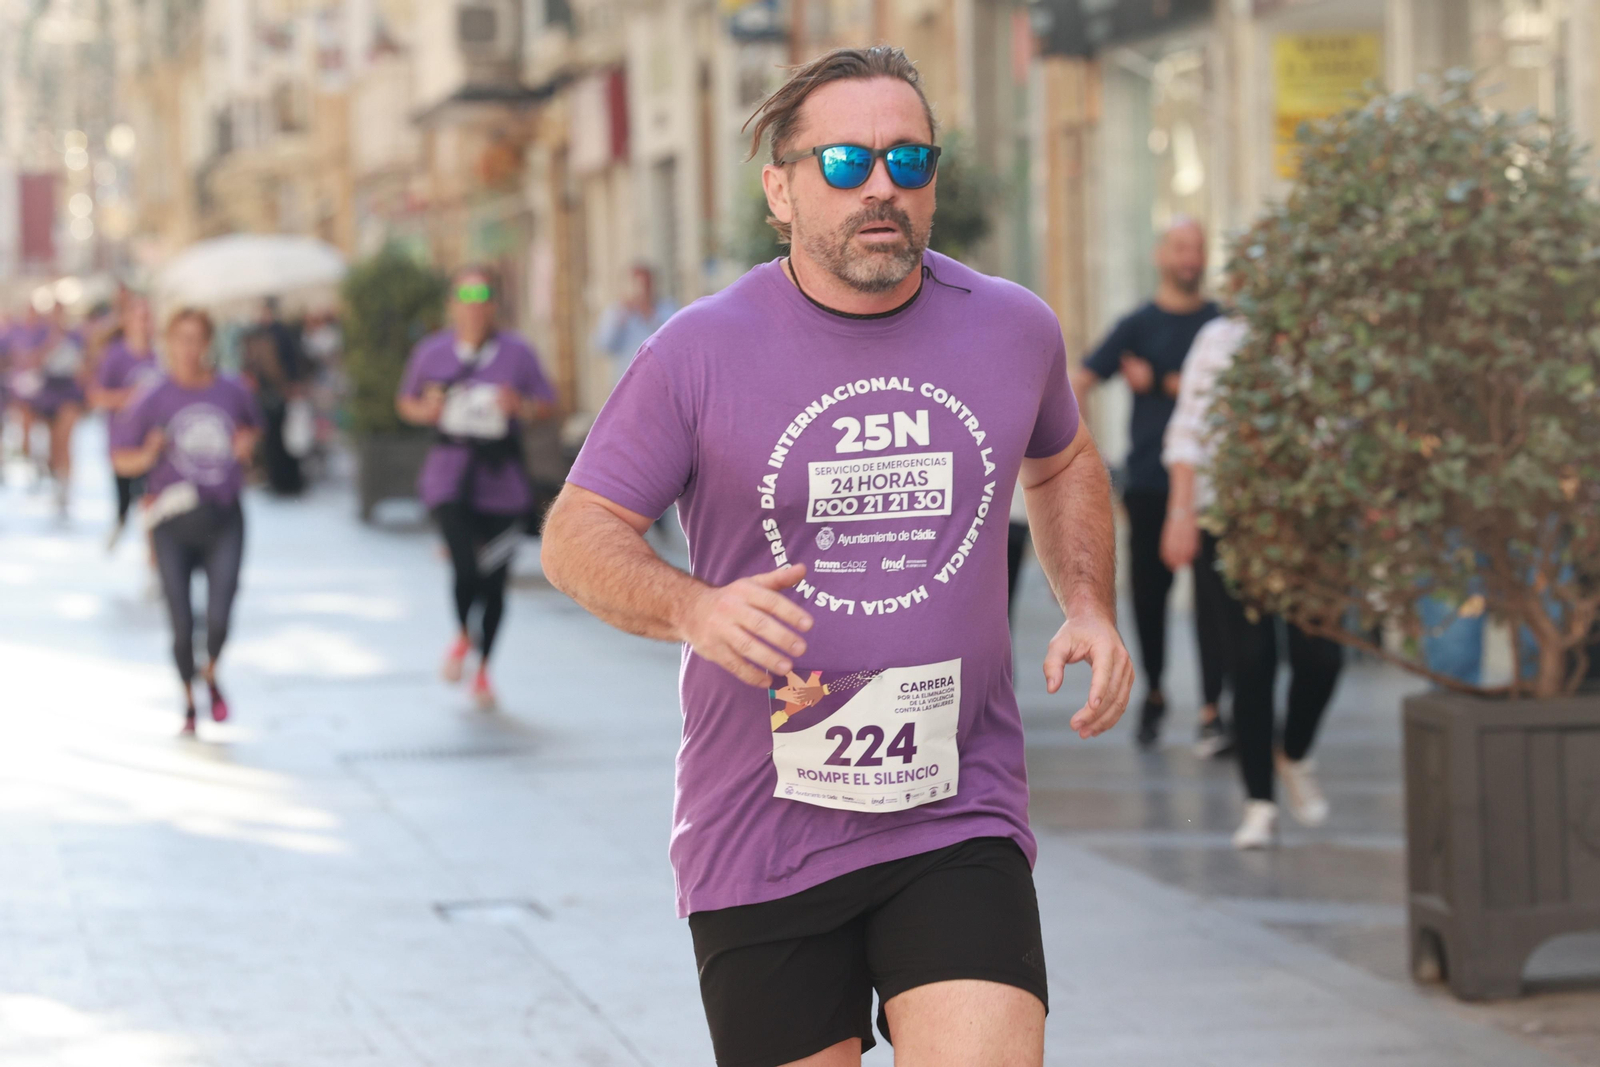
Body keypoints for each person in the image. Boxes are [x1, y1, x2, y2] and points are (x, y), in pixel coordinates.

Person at [540, 47, 1132, 1067]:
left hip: (956, 806)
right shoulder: (697, 351)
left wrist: (1086, 599)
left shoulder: (1009, 327)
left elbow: (1063, 452)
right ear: (780, 187)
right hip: (759, 826)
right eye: (847, 161)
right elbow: (575, 532)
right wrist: (694, 608)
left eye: (909, 160)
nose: (881, 188)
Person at [1160, 314, 1342, 848]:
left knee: (1321, 656)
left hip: (1313, 522)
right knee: (1251, 661)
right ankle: (1259, 802)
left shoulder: (1331, 338)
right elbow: (1189, 430)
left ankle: (1295, 749)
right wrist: (1180, 513)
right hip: (1231, 520)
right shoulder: (1220, 340)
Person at [1071, 218, 1228, 751]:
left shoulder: (1219, 323)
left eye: (1199, 249)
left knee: (1215, 602)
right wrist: (1092, 460)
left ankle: (1212, 708)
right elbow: (1079, 381)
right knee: (1149, 599)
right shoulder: (1138, 324)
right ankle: (1155, 693)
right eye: (1182, 248)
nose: (1191, 258)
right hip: (1147, 482)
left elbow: (1217, 393)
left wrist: (1161, 382)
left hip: (1212, 488)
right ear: (1162, 255)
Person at [396, 267, 556, 709]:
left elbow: (547, 403)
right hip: (449, 476)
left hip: (502, 481)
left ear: (492, 304)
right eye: (463, 294)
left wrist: (518, 405)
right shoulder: (431, 353)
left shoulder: (517, 352)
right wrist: (426, 410)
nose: (472, 304)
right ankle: (463, 636)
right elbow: (405, 403)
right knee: (466, 568)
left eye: (481, 294)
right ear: (451, 304)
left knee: (496, 579)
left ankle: (484, 669)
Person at [113, 309, 260, 736]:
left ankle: (211, 672)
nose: (188, 349)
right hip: (172, 524)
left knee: (219, 615)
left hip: (223, 517)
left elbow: (254, 430)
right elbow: (121, 458)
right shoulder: (152, 396)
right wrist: (149, 454)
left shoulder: (231, 389)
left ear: (208, 344)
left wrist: (247, 443)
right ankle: (188, 699)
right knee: (180, 624)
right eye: (180, 339)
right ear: (168, 343)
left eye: (197, 339)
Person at [90, 297, 162, 548]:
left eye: (148, 317)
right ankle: (120, 521)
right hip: (123, 443)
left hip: (153, 442)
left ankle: (155, 568)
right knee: (125, 499)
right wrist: (130, 397)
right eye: (140, 317)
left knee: (151, 503)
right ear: (128, 321)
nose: (145, 323)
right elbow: (96, 396)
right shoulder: (116, 356)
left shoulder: (160, 355)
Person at [27, 303, 91, 517]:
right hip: (48, 392)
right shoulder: (41, 335)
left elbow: (85, 365)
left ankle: (65, 491)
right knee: (53, 444)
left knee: (65, 441)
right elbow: (32, 362)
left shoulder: (75, 336)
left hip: (68, 393)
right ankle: (56, 482)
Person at [241, 296, 308, 496]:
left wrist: (292, 386)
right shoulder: (259, 333)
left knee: (284, 439)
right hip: (266, 394)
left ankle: (288, 482)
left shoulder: (280, 333)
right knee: (273, 440)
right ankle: (279, 480)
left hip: (280, 393)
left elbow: (290, 363)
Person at [592, 263, 679, 380]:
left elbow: (674, 341)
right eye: (638, 285)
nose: (642, 290)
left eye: (646, 284)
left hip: (662, 380)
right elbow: (603, 346)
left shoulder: (667, 308)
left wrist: (649, 314)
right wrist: (622, 315)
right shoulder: (616, 312)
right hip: (628, 382)